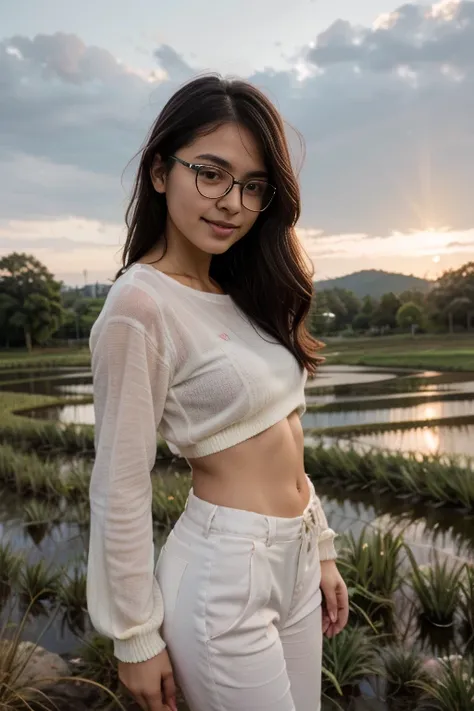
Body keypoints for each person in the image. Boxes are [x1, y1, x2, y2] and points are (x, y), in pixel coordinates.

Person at [86, 73, 349, 711]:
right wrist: (134, 637)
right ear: (158, 172)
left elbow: (288, 440)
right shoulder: (139, 305)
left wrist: (318, 545)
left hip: (292, 563)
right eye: (210, 173)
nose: (231, 201)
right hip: (224, 574)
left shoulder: (242, 295)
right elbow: (120, 484)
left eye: (253, 186)